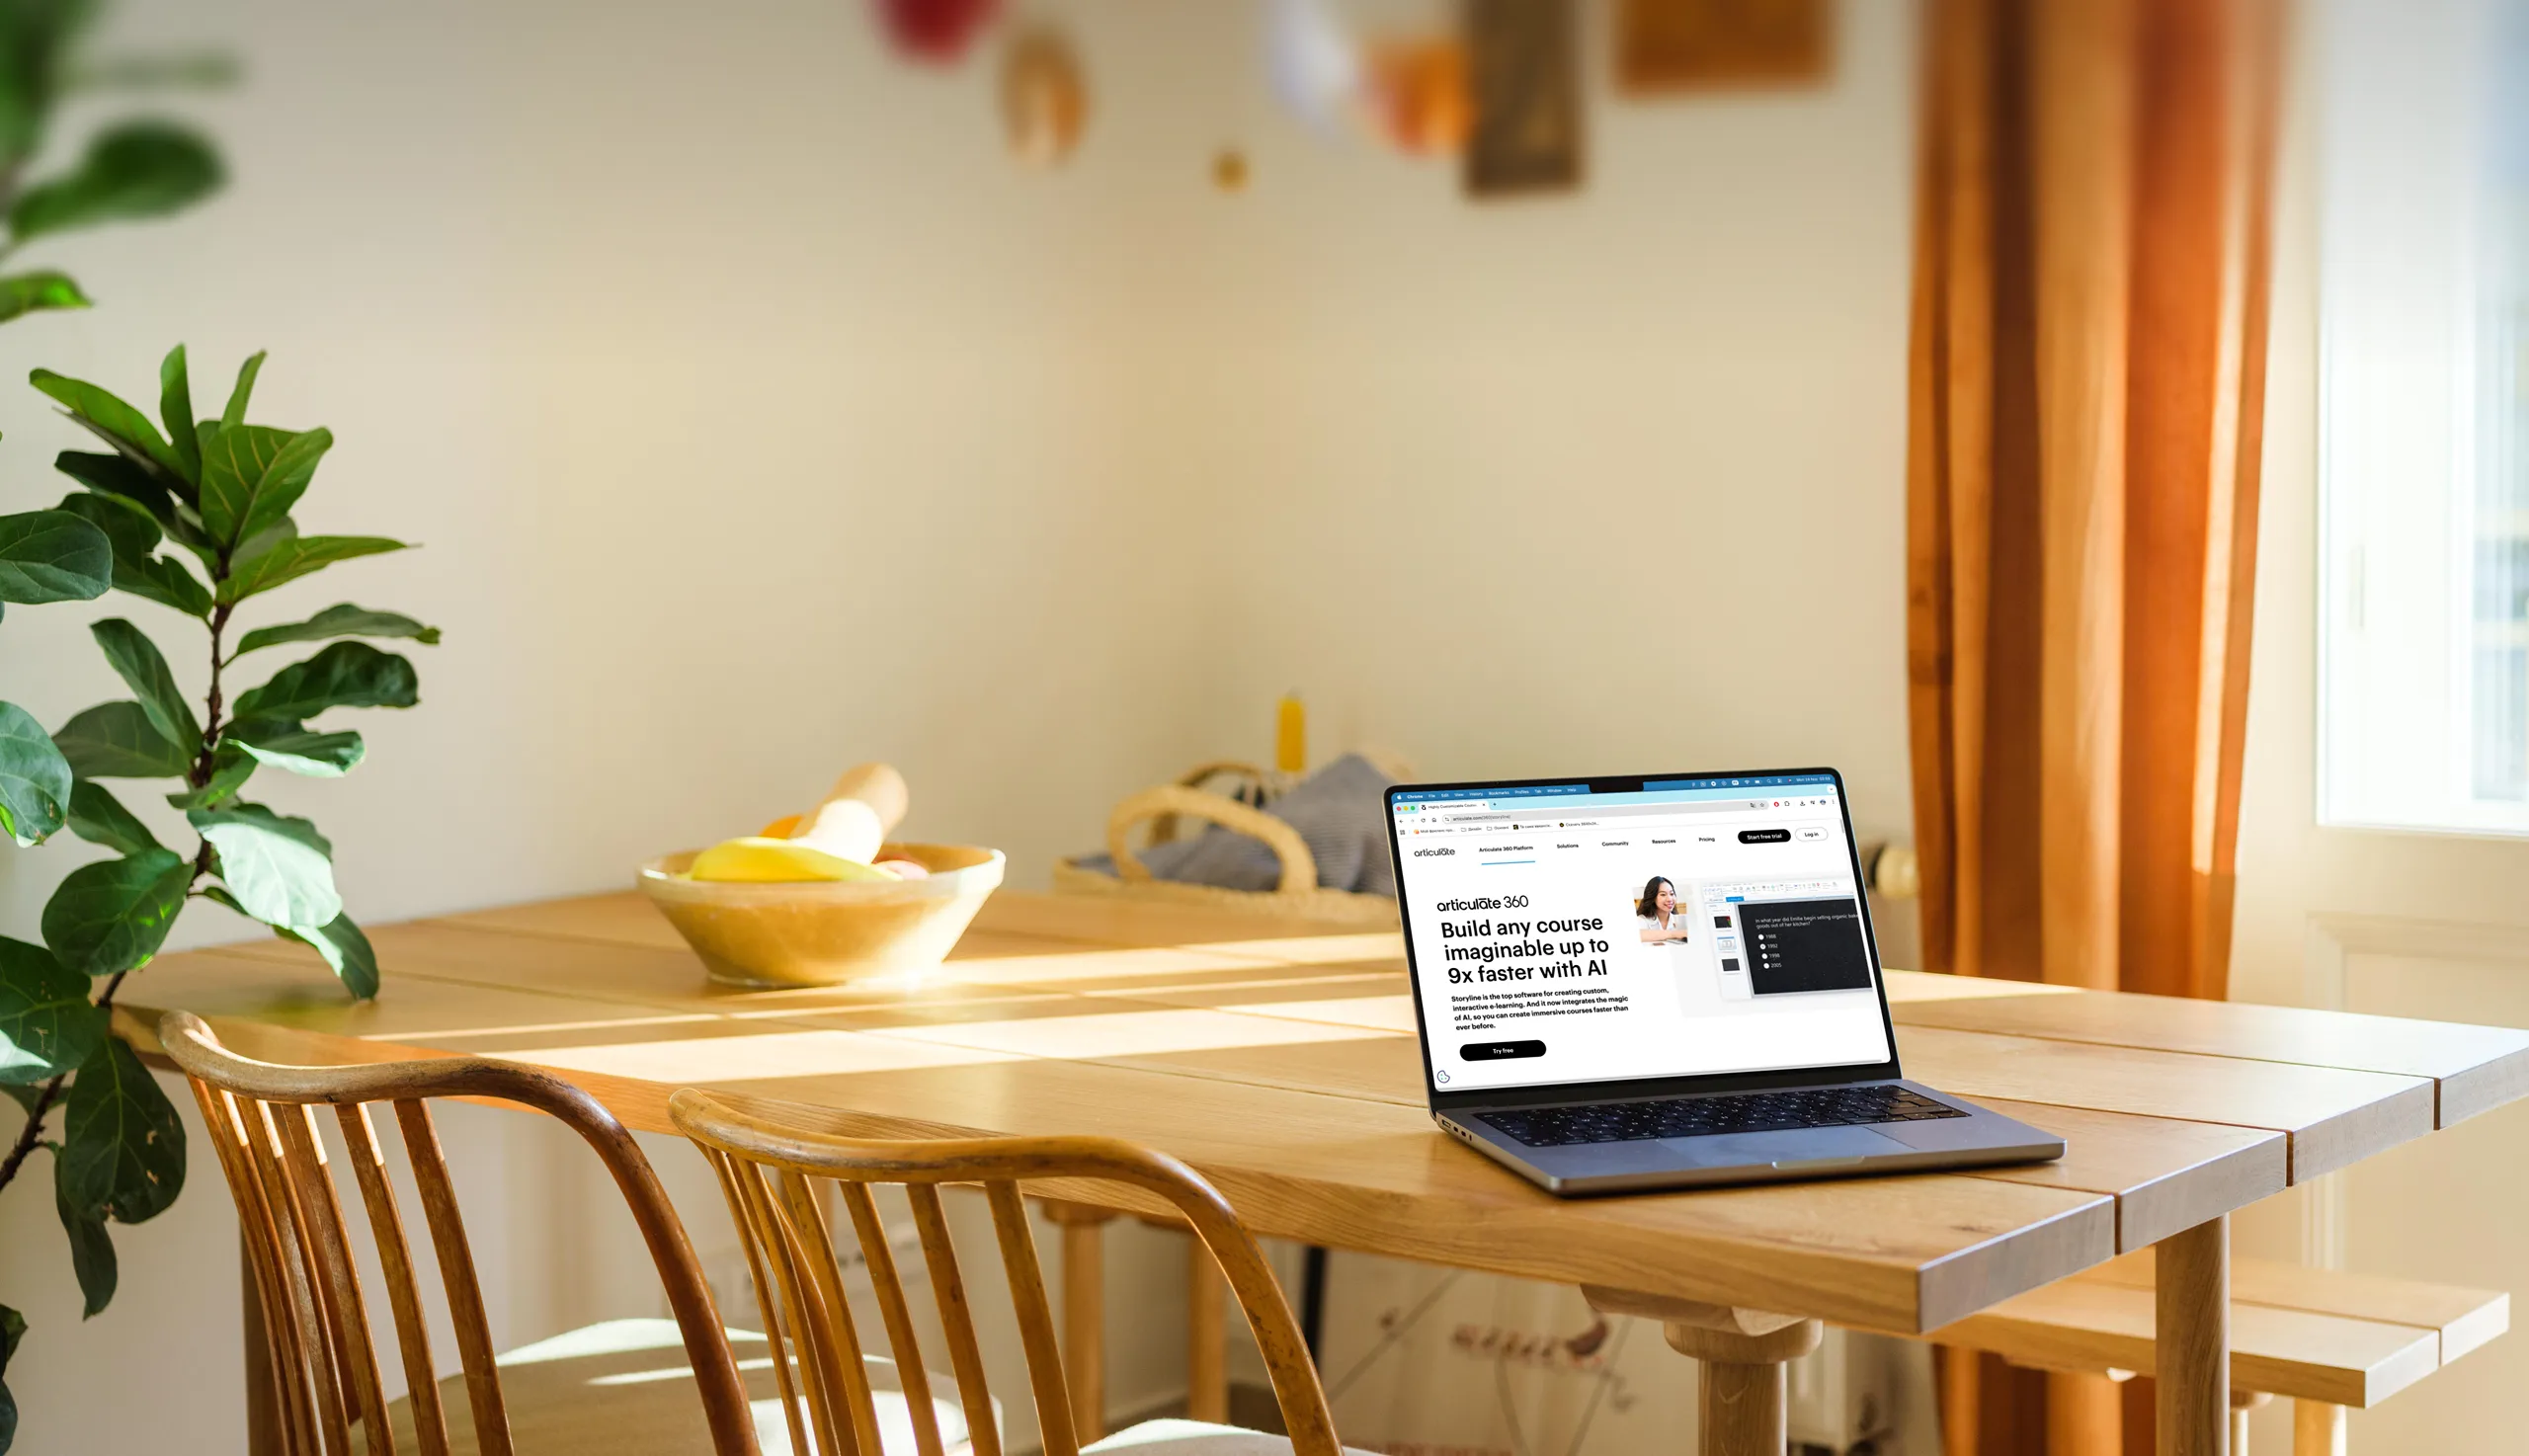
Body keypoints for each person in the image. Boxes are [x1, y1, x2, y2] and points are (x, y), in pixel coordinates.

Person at [1636, 877, 1691, 944]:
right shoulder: (1641, 920)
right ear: (1652, 897)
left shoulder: (1681, 920)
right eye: (1663, 894)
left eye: (1671, 894)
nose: (1669, 899)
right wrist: (1675, 934)